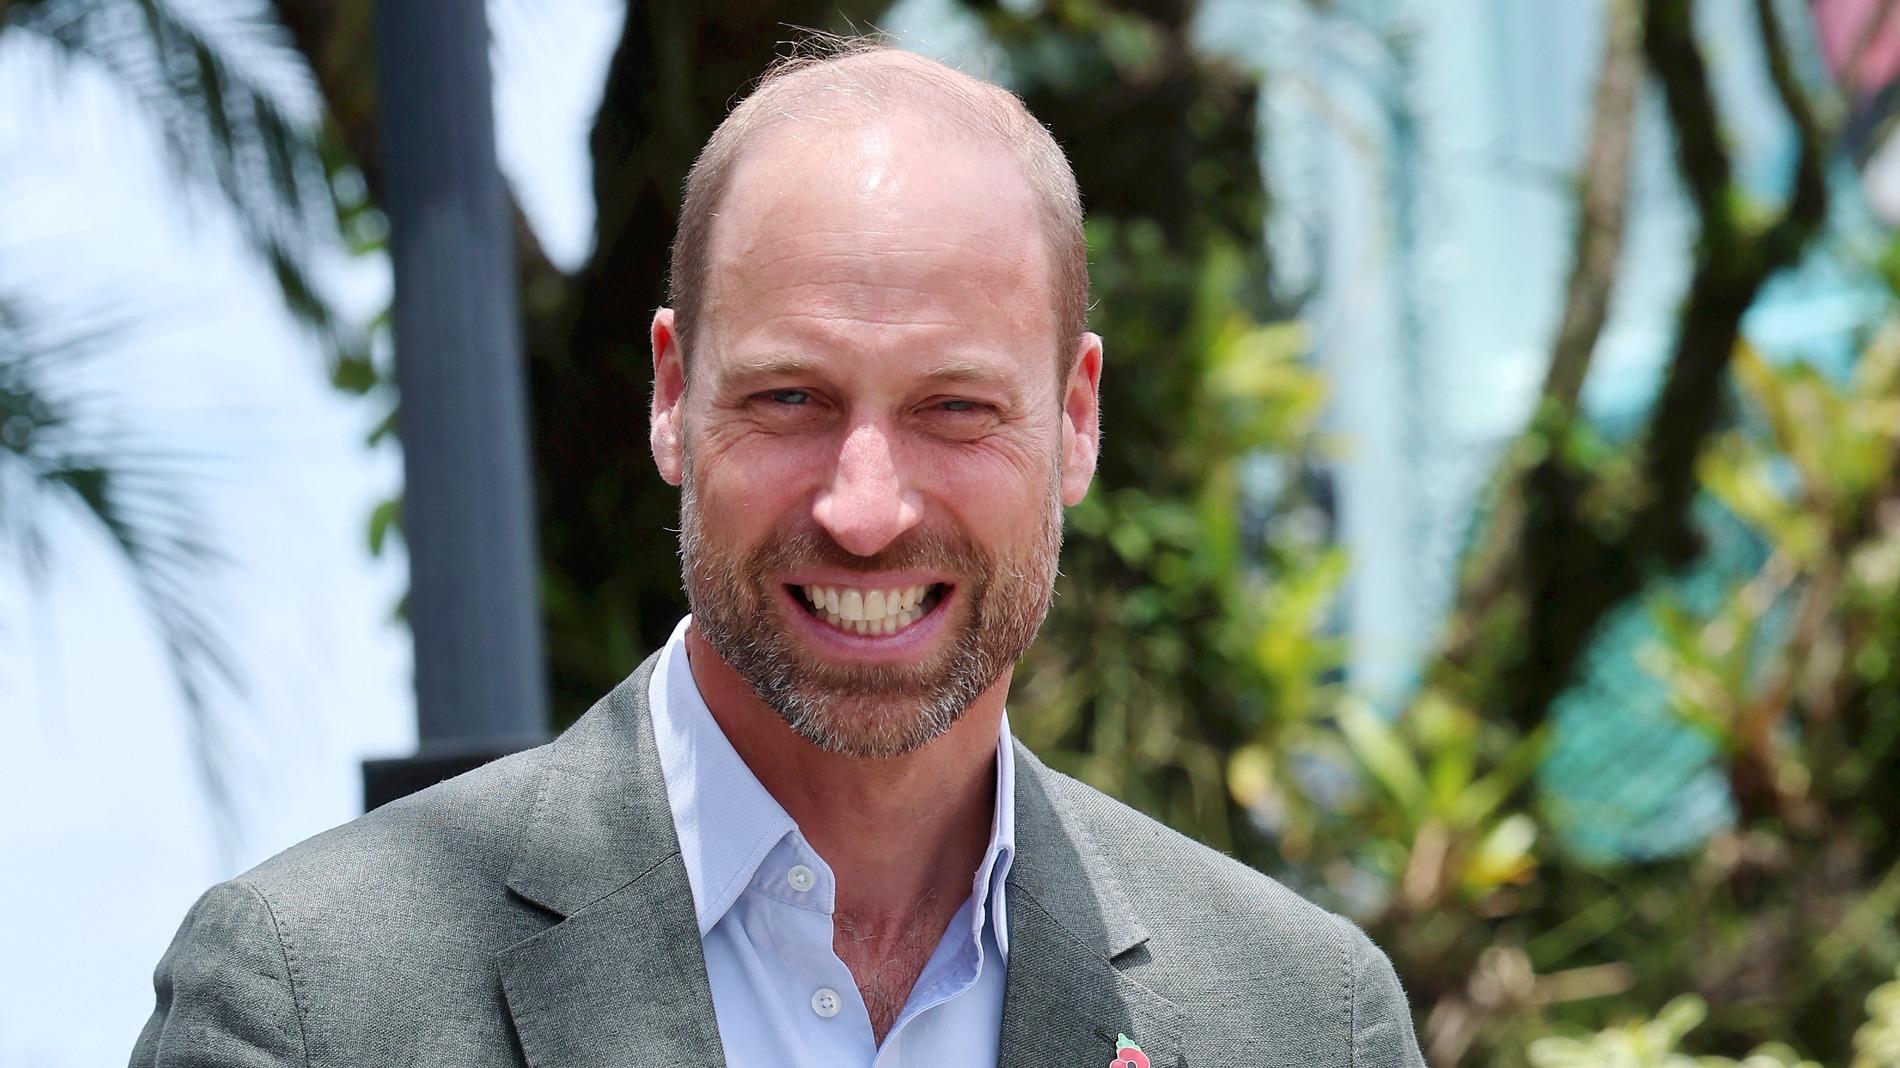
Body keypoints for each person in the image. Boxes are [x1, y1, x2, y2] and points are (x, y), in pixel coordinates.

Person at [131, 40, 1425, 1068]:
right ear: (671, 396)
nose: (866, 509)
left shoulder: (1305, 1024)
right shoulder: (316, 1007)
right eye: (791, 399)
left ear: (1076, 422)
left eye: (954, 408)